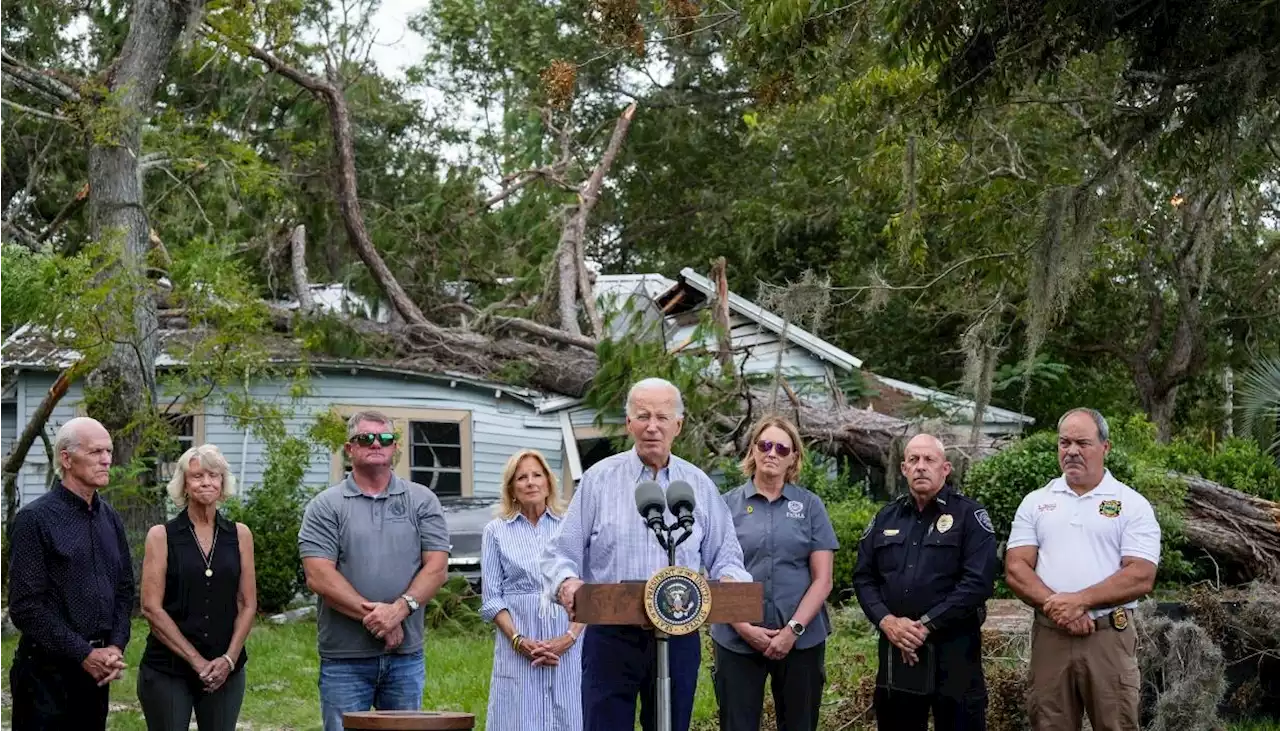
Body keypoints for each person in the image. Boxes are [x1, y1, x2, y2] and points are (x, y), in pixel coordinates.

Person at [541, 377, 752, 731]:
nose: (652, 426)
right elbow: (560, 553)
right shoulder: (599, 480)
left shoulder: (698, 485)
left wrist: (729, 581)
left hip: (680, 634)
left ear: (678, 426)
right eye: (642, 416)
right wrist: (567, 583)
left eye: (662, 417)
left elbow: (727, 557)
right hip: (611, 635)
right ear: (628, 424)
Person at [1005, 408, 1160, 731]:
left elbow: (1141, 574)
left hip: (1107, 639)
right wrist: (1060, 608)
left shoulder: (1131, 504)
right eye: (1064, 443)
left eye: (1082, 443)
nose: (1072, 451)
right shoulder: (1036, 502)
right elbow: (1017, 567)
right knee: (1049, 723)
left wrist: (1081, 602)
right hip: (1051, 635)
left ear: (1105, 447)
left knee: (1115, 723)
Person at [298, 410, 451, 731]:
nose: (375, 444)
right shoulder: (326, 505)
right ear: (349, 448)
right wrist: (381, 619)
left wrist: (399, 610)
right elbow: (319, 575)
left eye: (385, 438)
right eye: (365, 438)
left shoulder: (422, 500)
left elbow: (436, 568)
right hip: (344, 659)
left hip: (405, 657)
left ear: (395, 447)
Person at [853, 433, 998, 731]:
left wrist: (924, 625)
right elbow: (864, 577)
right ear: (903, 468)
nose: (921, 466)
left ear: (945, 468)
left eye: (929, 460)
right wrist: (888, 622)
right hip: (897, 650)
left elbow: (978, 583)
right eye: (913, 460)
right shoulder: (886, 518)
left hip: (955, 653)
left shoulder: (970, 515)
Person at [712, 415, 838, 731]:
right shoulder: (725, 506)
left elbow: (823, 579)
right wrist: (743, 628)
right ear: (753, 450)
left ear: (793, 457)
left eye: (782, 449)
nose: (772, 453)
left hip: (801, 640)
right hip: (736, 640)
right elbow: (715, 574)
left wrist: (791, 630)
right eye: (765, 445)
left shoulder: (810, 506)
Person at [7, 416, 134, 729]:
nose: (106, 460)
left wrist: (115, 647)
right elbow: (25, 607)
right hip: (45, 678)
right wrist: (83, 654)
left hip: (97, 675)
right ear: (66, 458)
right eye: (95, 452)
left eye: (109, 451)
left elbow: (124, 588)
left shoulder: (111, 519)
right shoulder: (34, 520)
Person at [138, 444, 257, 731]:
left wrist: (228, 660)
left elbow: (247, 603)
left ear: (222, 482)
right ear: (184, 485)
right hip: (169, 669)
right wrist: (197, 662)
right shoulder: (161, 536)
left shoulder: (240, 535)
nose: (206, 482)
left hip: (225, 669)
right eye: (197, 476)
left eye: (214, 476)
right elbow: (151, 608)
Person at [482, 449, 585, 731]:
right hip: (517, 643)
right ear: (511, 488)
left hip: (567, 642)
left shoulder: (570, 527)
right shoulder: (496, 531)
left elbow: (589, 593)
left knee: (568, 713)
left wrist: (568, 638)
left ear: (549, 482)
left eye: (537, 475)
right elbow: (491, 600)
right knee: (518, 716)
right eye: (522, 477)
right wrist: (518, 640)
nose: (530, 482)